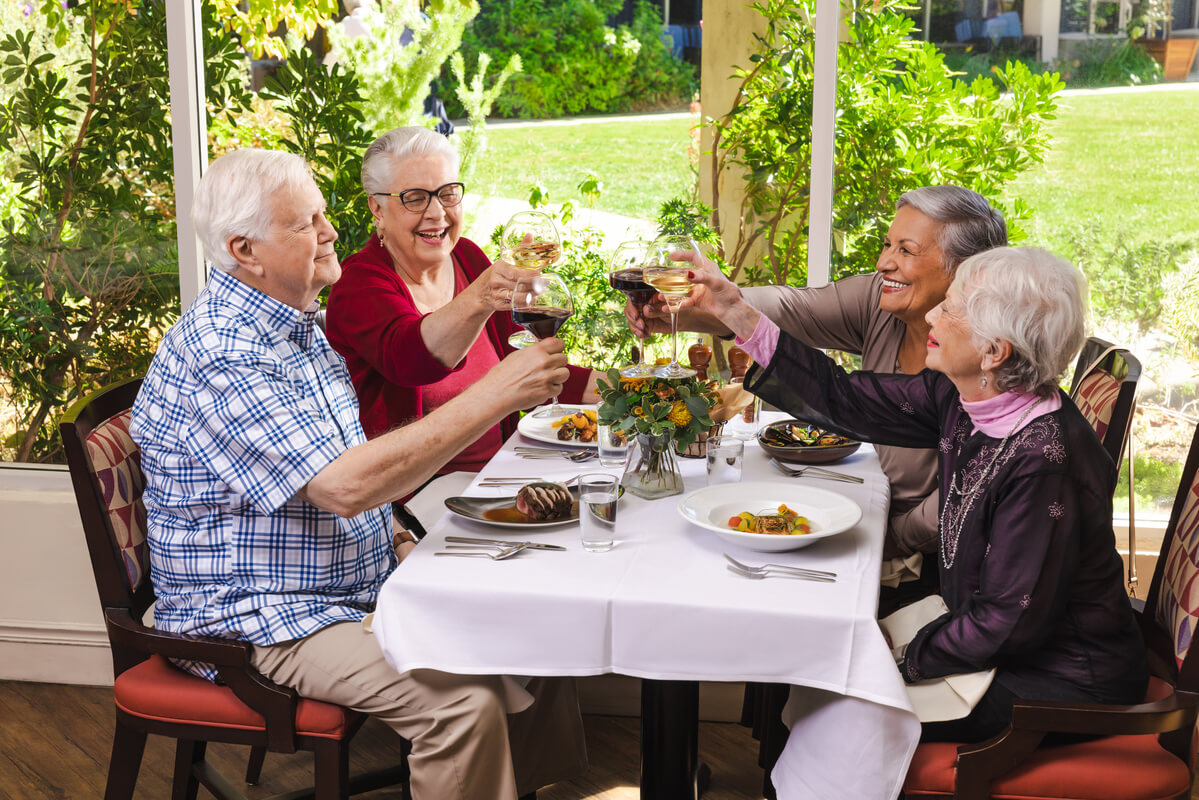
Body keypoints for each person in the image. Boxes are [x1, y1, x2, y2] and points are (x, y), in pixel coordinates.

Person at [129, 148, 587, 799]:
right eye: (305, 222)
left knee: (526, 622)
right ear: (245, 249)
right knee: (459, 705)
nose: (330, 231)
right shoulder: (224, 354)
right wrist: (491, 396)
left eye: (321, 215)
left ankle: (527, 789)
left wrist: (399, 539)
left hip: (345, 586)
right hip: (262, 615)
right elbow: (342, 486)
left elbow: (352, 474)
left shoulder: (297, 326)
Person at [681, 246, 1149, 741]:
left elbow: (1008, 622)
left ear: (994, 352)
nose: (931, 315)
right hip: (989, 635)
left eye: (950, 308)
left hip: (1056, 680)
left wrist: (904, 657)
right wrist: (734, 310)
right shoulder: (964, 395)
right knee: (820, 674)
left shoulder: (1044, 461)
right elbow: (843, 396)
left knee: (835, 716)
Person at [630, 186, 1008, 610]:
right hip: (869, 517)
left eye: (906, 250)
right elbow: (794, 310)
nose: (885, 262)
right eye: (888, 244)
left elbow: (964, 491)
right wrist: (682, 312)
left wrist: (888, 533)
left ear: (968, 272)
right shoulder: (880, 299)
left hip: (923, 572)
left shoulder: (987, 366)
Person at [325, 126, 598, 487]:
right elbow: (409, 358)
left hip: (502, 479)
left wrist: (622, 389)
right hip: (413, 503)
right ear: (377, 206)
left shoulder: (466, 256)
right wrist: (481, 296)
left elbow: (522, 365)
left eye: (447, 194)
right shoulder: (359, 284)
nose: (437, 213)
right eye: (415, 197)